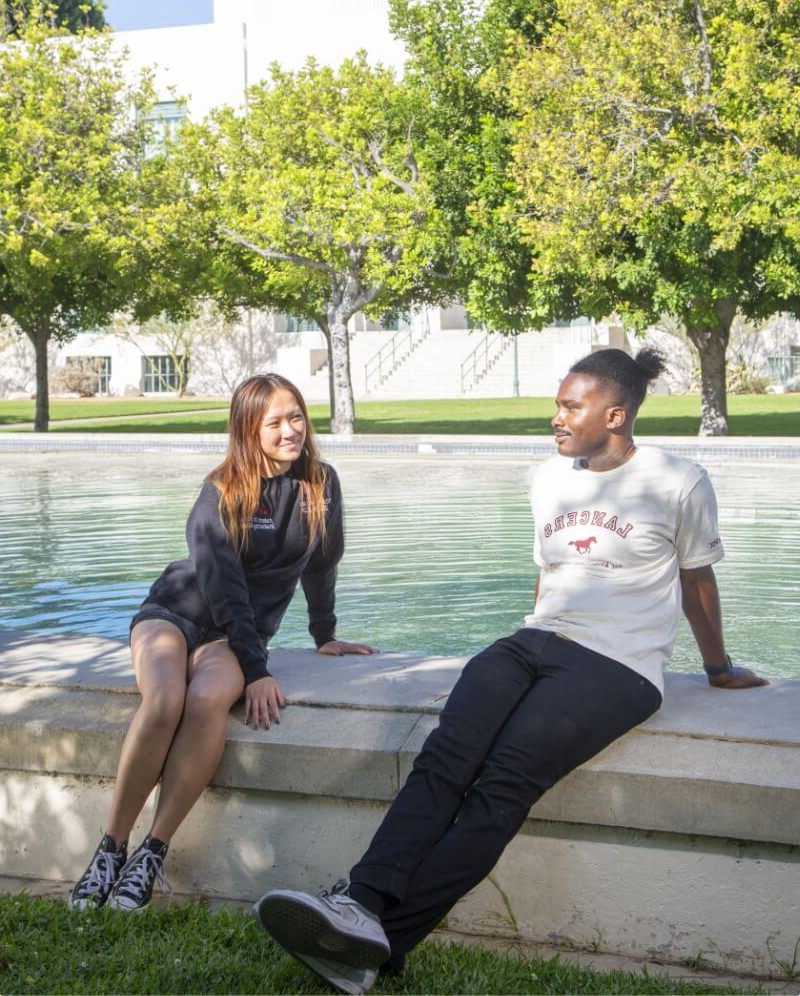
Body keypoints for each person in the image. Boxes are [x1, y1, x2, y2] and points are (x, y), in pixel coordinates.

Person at [254, 348, 768, 995]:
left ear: (614, 413)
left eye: (569, 406)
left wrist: (717, 667)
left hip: (619, 665)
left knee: (502, 787)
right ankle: (359, 903)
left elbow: (697, 581)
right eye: (556, 403)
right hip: (531, 644)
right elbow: (548, 576)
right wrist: (528, 647)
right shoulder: (549, 478)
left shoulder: (678, 480)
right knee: (443, 763)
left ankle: (383, 944)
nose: (556, 417)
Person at [69, 373, 376, 913]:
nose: (290, 430)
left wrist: (323, 633)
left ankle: (152, 853)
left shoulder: (321, 484)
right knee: (165, 700)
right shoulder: (222, 490)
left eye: (297, 416)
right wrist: (257, 668)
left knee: (208, 699)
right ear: (248, 429)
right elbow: (224, 587)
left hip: (235, 635)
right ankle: (110, 848)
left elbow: (324, 562)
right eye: (275, 422)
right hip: (176, 612)